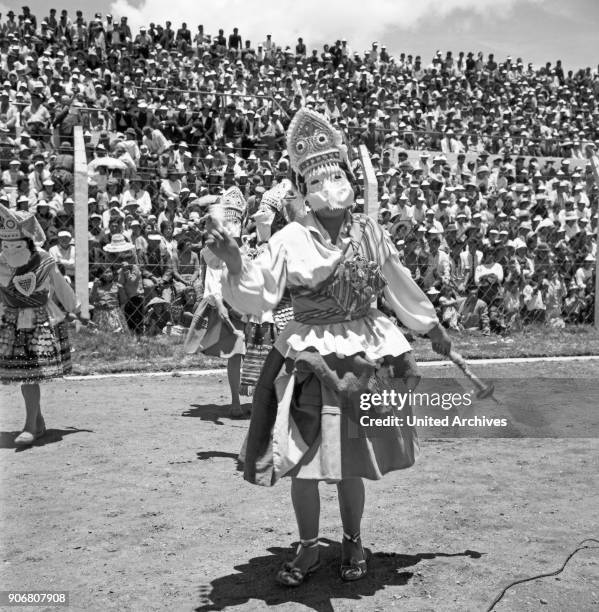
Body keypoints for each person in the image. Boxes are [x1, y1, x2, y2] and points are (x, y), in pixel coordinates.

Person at [204, 109, 451, 585]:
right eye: (318, 179)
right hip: (307, 358)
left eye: (336, 175)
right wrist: (236, 261)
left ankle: (354, 541)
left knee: (350, 461)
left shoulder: (371, 233)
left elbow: (399, 285)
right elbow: (258, 292)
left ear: (348, 179)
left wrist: (431, 327)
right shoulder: (289, 238)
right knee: (304, 459)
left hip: (362, 356)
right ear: (303, 190)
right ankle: (309, 547)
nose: (329, 186)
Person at [0, 203, 80, 446]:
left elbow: (60, 286)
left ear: (29, 242)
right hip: (11, 321)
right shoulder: (1, 261)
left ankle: (30, 426)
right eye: (6, 244)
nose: (10, 249)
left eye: (16, 244)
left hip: (37, 322)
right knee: (25, 374)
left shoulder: (45, 260)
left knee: (29, 374)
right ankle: (37, 421)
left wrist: (74, 309)